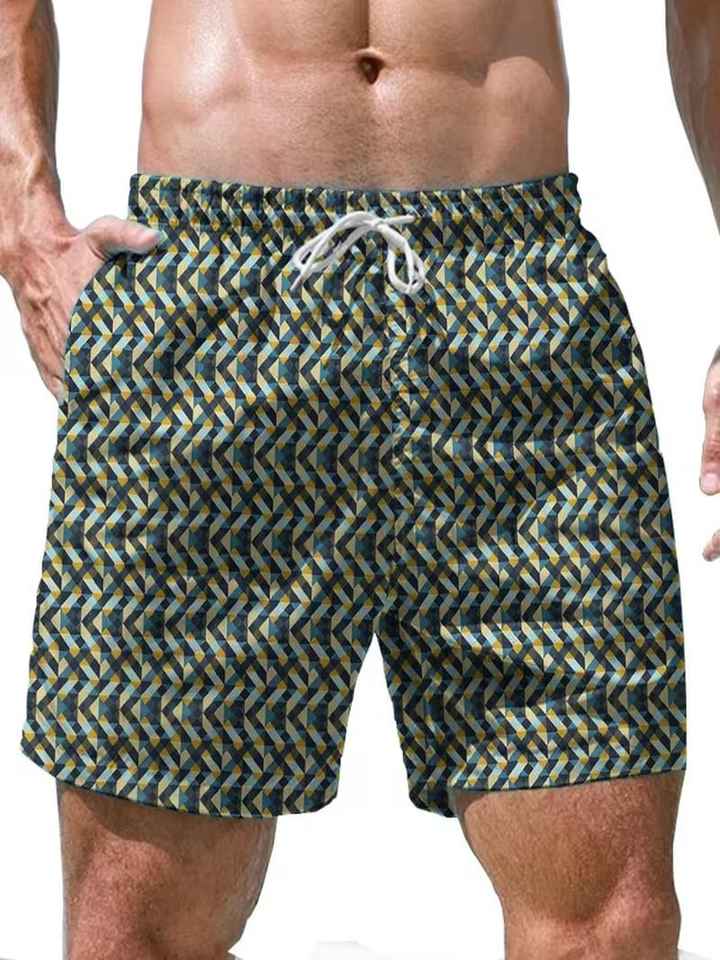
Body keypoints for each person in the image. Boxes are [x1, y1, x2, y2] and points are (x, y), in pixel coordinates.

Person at [0, 2, 713, 958]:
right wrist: (23, 224)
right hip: (211, 297)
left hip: (515, 296)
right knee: (137, 932)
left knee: (612, 927)